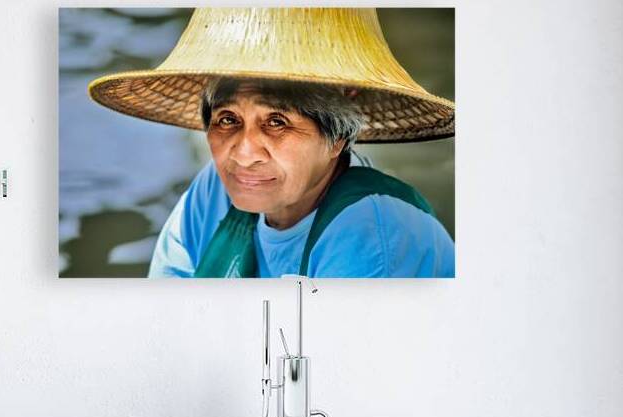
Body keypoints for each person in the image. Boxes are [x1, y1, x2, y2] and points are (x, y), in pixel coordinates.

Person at [88, 8, 456, 278]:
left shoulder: (373, 227)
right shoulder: (211, 193)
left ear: (338, 136)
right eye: (228, 120)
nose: (244, 155)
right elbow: (164, 324)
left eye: (277, 122)